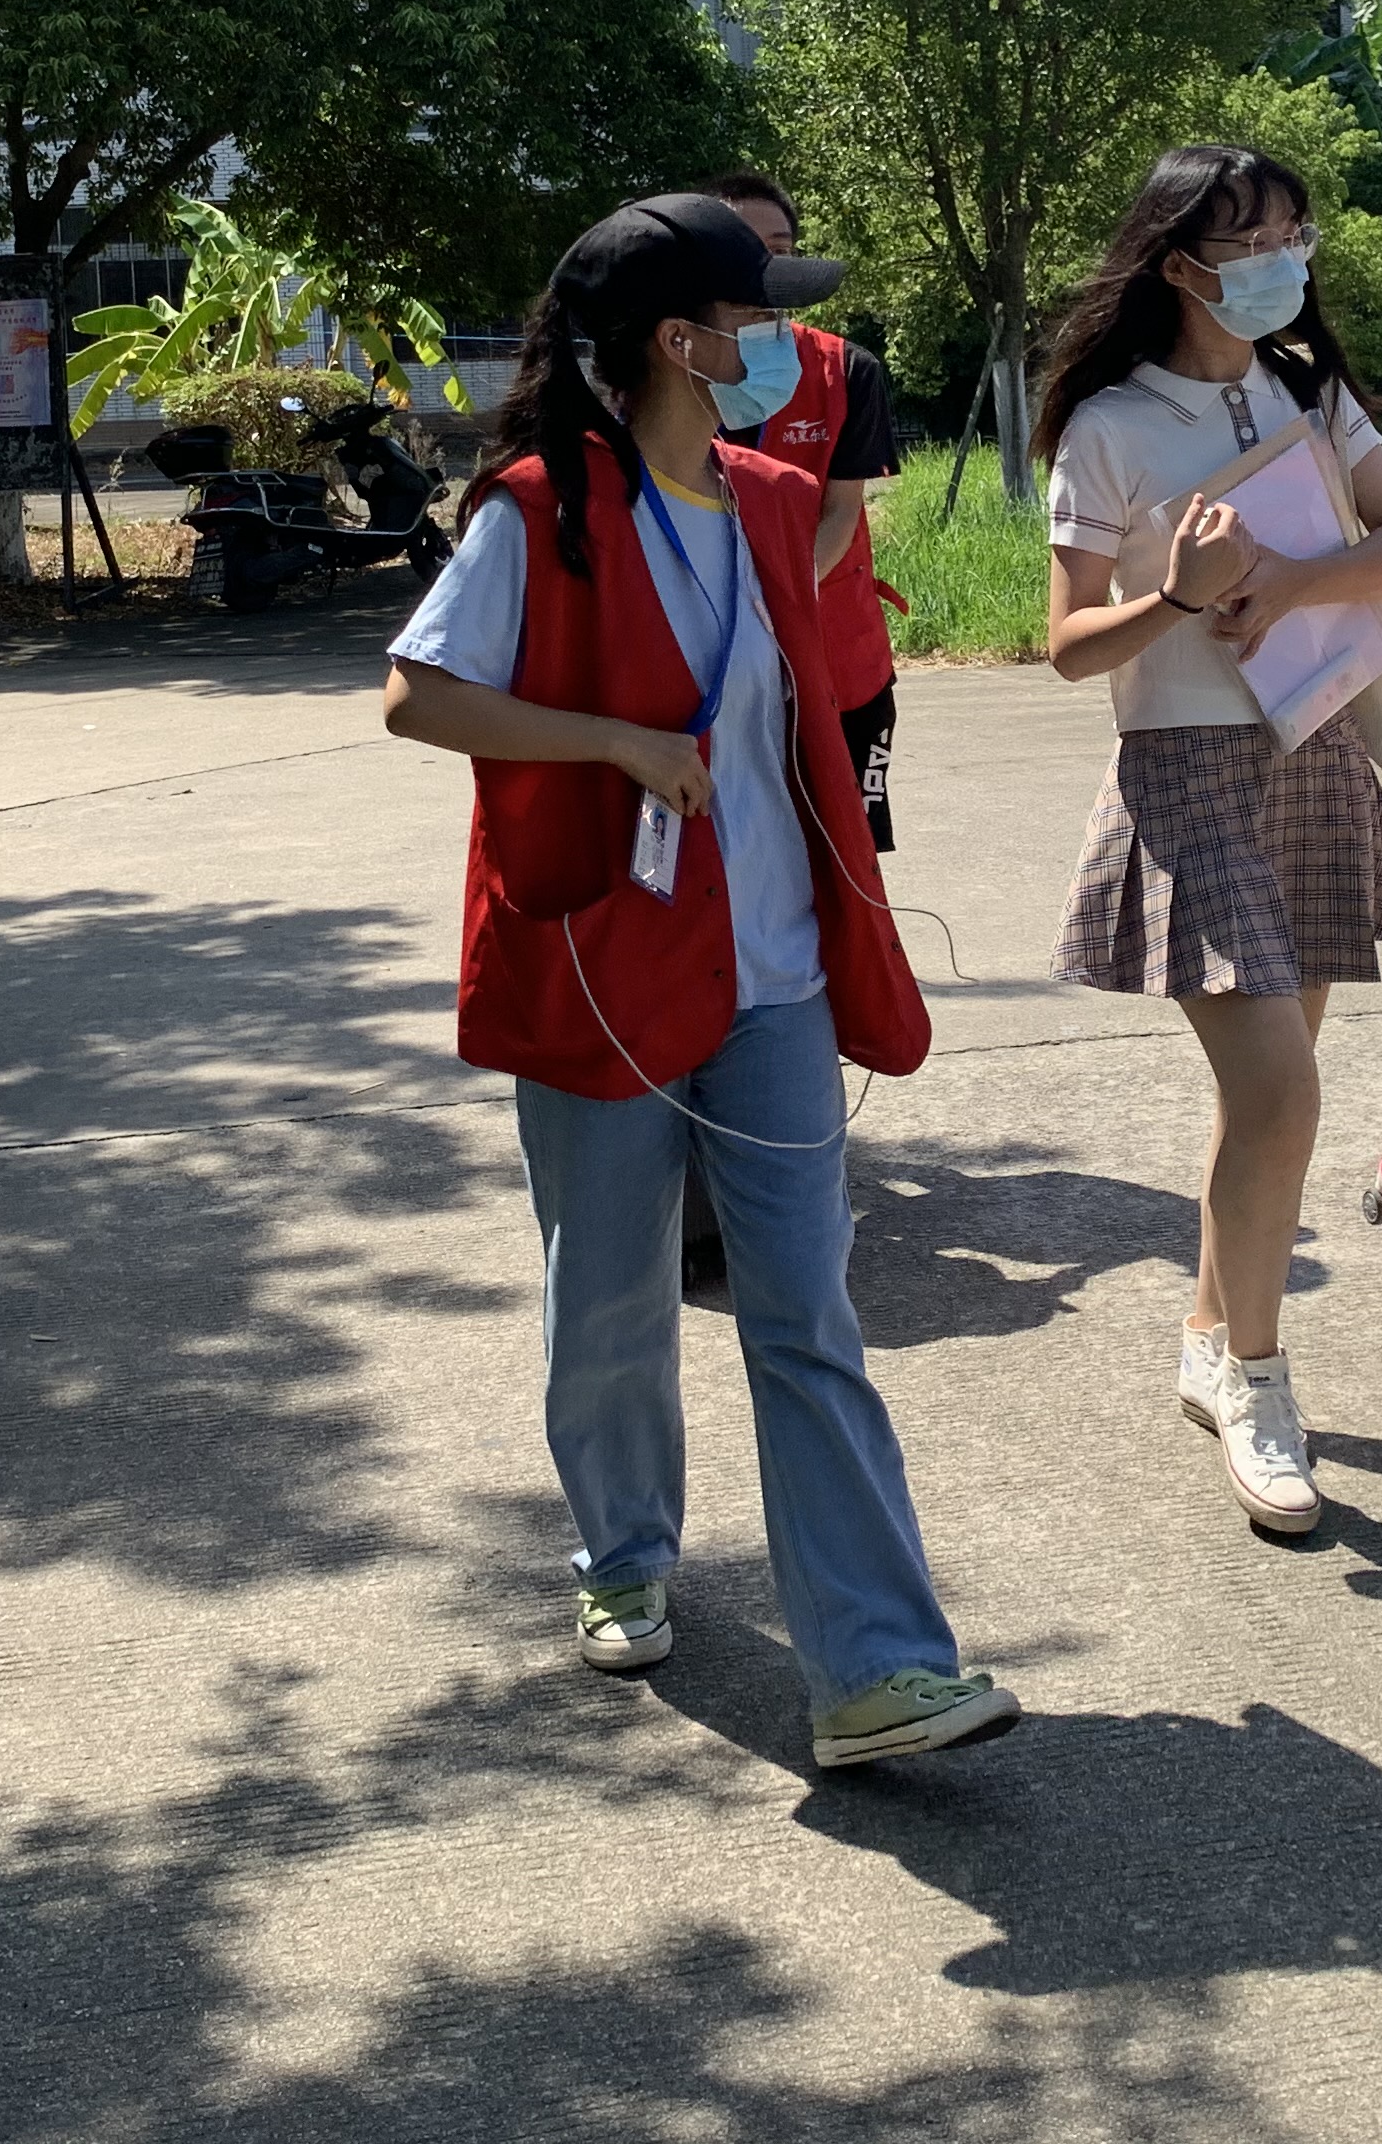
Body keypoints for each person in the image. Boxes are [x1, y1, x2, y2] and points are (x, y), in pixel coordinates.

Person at [379, 192, 1017, 1770]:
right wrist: (609, 742)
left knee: (806, 1310)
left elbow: (811, 716)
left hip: (775, 970)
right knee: (609, 1299)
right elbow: (419, 696)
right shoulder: (541, 508)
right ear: (682, 341)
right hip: (608, 963)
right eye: (755, 318)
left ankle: (877, 1668)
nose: (783, 343)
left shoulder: (774, 500)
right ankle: (622, 1552)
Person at [1037, 146, 1382, 1536]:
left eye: (1291, 233)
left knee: (1268, 1101)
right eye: (1250, 240)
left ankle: (1214, 1338)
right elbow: (1068, 644)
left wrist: (1290, 583)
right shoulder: (1109, 427)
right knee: (1280, 1098)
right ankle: (1260, 1384)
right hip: (1188, 769)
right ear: (1176, 265)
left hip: (1312, 747)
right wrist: (1178, 597)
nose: (1282, 260)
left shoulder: (1306, 392)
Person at [704, 170, 907, 851]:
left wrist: (772, 598)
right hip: (712, 658)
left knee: (846, 853)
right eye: (744, 248)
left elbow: (841, 511)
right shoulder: (671, 371)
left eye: (781, 249)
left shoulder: (846, 371)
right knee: (733, 855)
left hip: (836, 653)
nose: (766, 268)